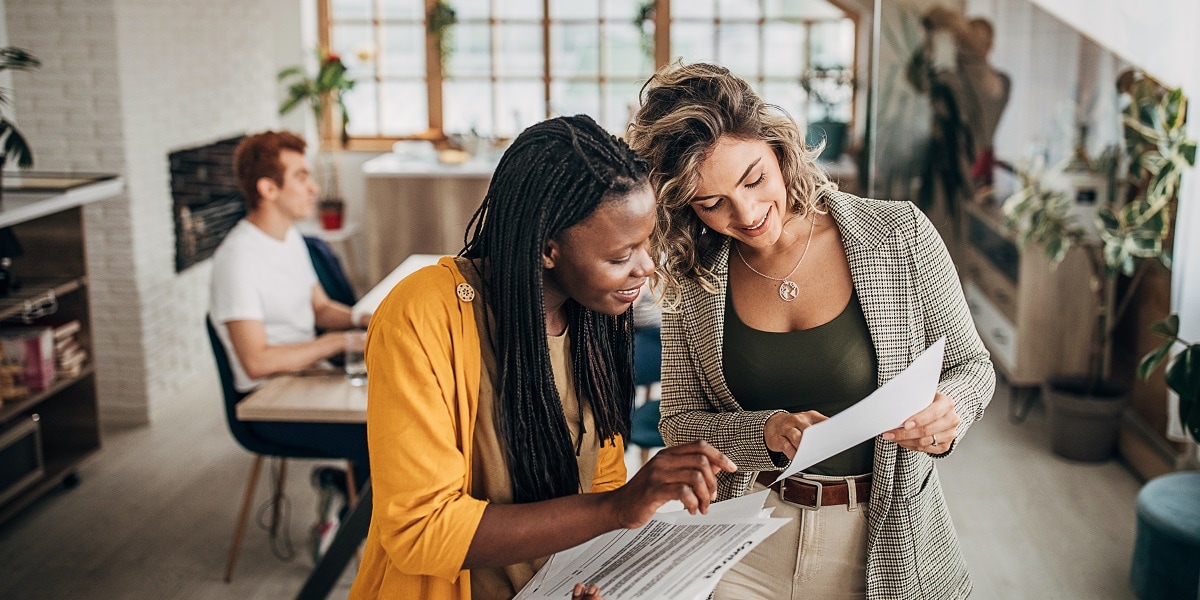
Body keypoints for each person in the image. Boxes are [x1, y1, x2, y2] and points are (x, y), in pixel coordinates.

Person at [626, 63, 996, 599]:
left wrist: (950, 412)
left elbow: (973, 366)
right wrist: (766, 431)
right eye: (712, 203)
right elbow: (680, 423)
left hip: (882, 538)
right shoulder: (695, 279)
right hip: (744, 539)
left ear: (779, 148)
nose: (747, 213)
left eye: (753, 179)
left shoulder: (899, 236)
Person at [348, 115, 737, 600]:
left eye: (646, 243)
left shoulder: (596, 317)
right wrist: (617, 507)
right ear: (548, 249)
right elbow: (422, 531)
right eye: (620, 256)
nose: (645, 267)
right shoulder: (422, 313)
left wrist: (602, 573)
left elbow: (602, 478)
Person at [209, 130, 369, 488]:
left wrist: (364, 319)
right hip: (269, 403)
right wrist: (340, 342)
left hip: (308, 375)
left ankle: (350, 500)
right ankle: (354, 525)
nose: (313, 188)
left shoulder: (290, 238)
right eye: (301, 177)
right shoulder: (238, 259)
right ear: (268, 189)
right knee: (390, 437)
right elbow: (257, 362)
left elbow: (320, 308)